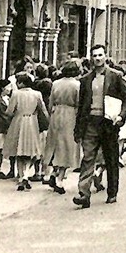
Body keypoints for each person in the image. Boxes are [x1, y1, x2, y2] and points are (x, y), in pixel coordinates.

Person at [73, 43, 126, 208]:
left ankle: (112, 192)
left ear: (105, 56)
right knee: (88, 158)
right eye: (95, 55)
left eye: (100, 55)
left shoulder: (116, 76)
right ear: (91, 58)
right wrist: (78, 129)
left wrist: (121, 116)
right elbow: (81, 106)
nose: (98, 58)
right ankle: (83, 194)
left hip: (108, 124)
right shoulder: (86, 80)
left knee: (111, 159)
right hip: (91, 122)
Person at [2, 72, 45, 190]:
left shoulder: (15, 94)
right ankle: (25, 175)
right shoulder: (37, 94)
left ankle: (21, 177)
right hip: (32, 122)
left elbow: (9, 112)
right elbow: (43, 110)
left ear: (21, 83)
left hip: (18, 122)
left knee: (19, 151)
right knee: (32, 151)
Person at [43, 63, 81, 193]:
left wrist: (51, 114)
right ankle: (59, 179)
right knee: (66, 145)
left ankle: (53, 171)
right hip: (70, 114)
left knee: (54, 144)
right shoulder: (76, 85)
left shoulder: (56, 83)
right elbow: (78, 103)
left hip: (56, 113)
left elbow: (50, 101)